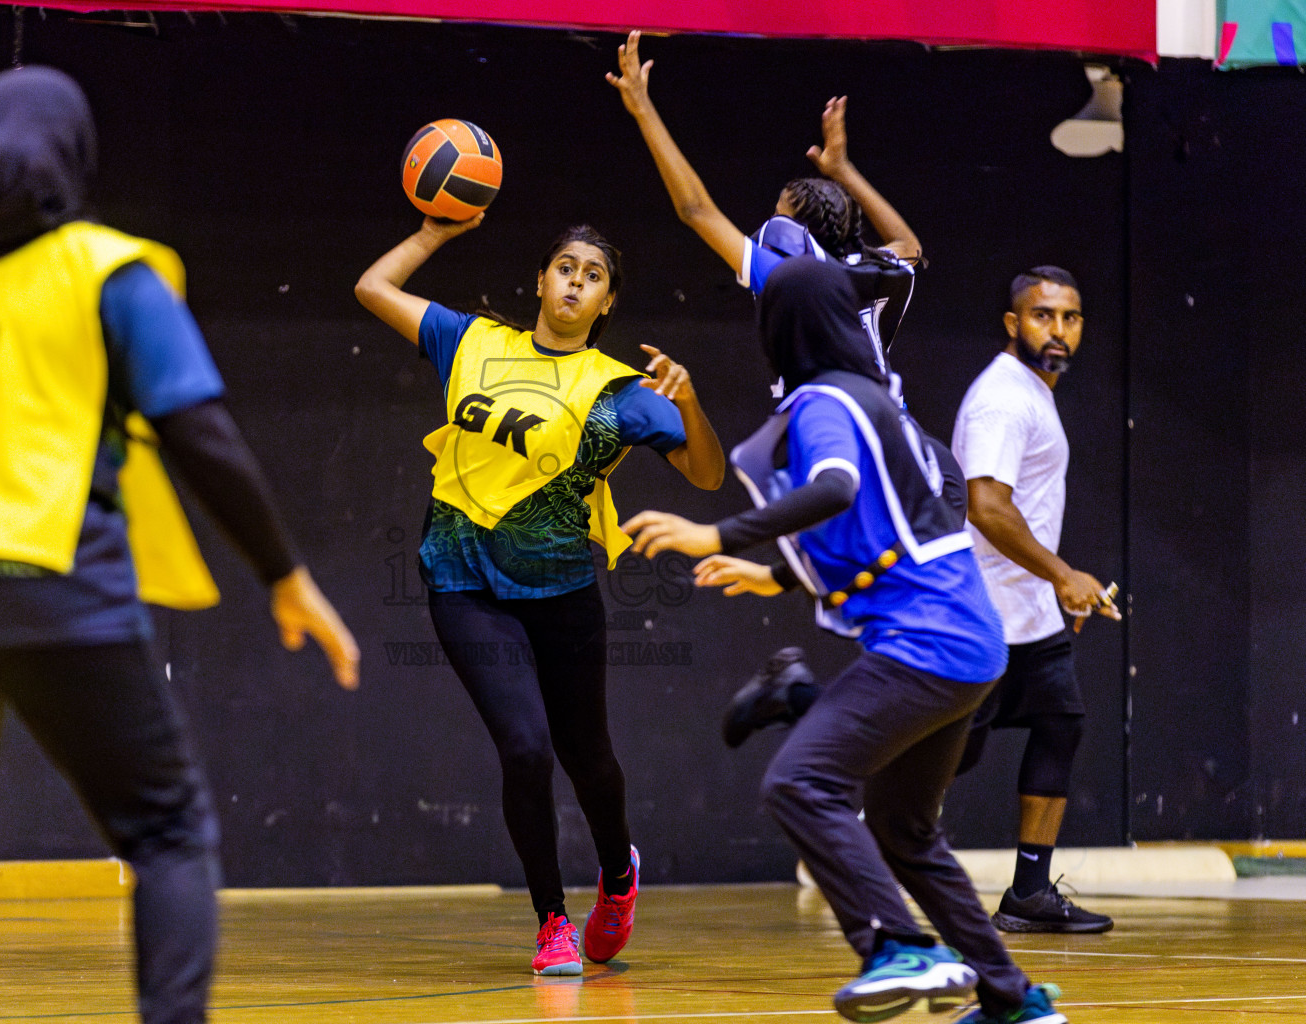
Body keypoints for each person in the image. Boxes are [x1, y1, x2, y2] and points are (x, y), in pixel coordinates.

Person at [0, 66, 359, 1024]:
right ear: (76, 149)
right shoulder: (108, 271)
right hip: (55, 582)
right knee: (166, 830)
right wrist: (285, 575)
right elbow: (202, 437)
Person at [623, 258, 1067, 1024]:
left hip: (925, 643)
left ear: (783, 328)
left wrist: (710, 532)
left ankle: (899, 946)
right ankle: (1012, 998)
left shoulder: (824, 400)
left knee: (799, 783)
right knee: (903, 828)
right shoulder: (875, 401)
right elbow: (879, 526)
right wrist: (777, 574)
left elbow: (833, 489)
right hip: (969, 639)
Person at [354, 213, 723, 975]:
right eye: (565, 267)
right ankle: (552, 919)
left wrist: (687, 402)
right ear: (541, 279)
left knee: (587, 754)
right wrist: (434, 231)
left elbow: (707, 474)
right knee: (524, 748)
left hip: (560, 590)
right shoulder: (471, 341)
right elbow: (372, 287)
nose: (575, 282)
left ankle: (618, 876)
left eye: (592, 276)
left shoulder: (620, 392)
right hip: (461, 580)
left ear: (606, 302)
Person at [949, 266, 1119, 934]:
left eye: (1070, 317)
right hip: (982, 610)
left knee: (1061, 723)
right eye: (1043, 316)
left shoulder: (1035, 390)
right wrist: (1062, 574)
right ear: (1013, 324)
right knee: (947, 754)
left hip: (1031, 613)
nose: (1059, 330)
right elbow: (986, 506)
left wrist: (1056, 590)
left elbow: (1026, 506)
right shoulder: (1002, 397)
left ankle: (1028, 891)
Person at [608, 30, 921, 384]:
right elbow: (908, 245)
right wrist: (842, 169)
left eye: (778, 216)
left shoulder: (793, 280)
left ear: (797, 235)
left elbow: (695, 209)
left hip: (833, 415)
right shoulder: (874, 269)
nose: (768, 227)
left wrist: (642, 107)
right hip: (891, 416)